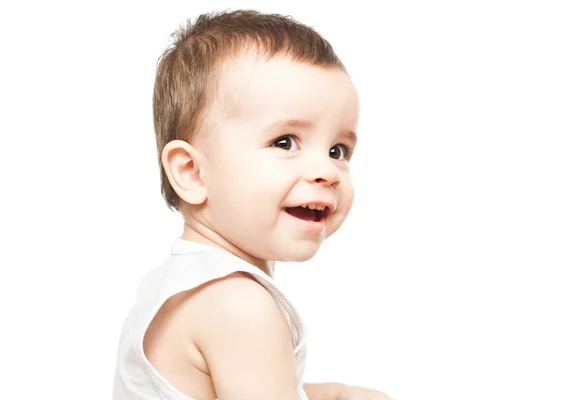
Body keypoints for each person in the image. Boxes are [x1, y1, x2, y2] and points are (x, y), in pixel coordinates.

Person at [113, 9, 391, 400]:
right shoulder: (240, 306)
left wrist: (338, 394)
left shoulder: (178, 283)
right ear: (192, 172)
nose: (327, 171)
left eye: (338, 150)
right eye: (285, 142)